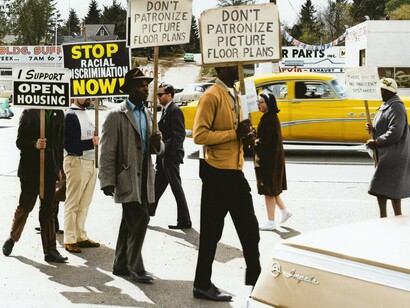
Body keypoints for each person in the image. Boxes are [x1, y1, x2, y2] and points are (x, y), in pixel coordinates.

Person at [192, 65, 261, 302]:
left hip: (234, 172)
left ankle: (256, 282)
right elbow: (199, 136)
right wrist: (234, 134)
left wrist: (248, 138)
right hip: (217, 174)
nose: (239, 68)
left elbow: (240, 131)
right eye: (234, 65)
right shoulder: (211, 96)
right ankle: (202, 284)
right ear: (221, 68)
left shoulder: (236, 94)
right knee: (211, 234)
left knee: (250, 232)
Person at [99, 68, 164, 284]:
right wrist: (107, 180)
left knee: (129, 222)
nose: (145, 88)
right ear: (128, 89)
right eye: (140, 85)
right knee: (141, 219)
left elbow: (156, 148)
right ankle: (136, 267)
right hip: (126, 177)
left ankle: (120, 264)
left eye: (146, 85)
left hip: (145, 177)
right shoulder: (115, 115)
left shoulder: (148, 113)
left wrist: (157, 143)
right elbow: (107, 150)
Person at [2, 109, 68, 263]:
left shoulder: (58, 113)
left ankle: (50, 250)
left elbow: (59, 144)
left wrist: (59, 168)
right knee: (25, 206)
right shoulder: (29, 113)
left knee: (48, 210)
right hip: (30, 171)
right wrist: (34, 144)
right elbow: (20, 142)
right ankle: (12, 238)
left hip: (50, 171)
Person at [366, 77, 410, 217]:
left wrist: (377, 141)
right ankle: (390, 217)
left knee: (381, 186)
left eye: (383, 90)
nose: (381, 92)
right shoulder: (387, 104)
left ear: (389, 92)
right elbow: (385, 126)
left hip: (393, 154)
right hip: (389, 153)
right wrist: (373, 129)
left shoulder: (395, 106)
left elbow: (396, 131)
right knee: (391, 188)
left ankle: (385, 218)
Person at [150, 83, 192, 229]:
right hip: (163, 156)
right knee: (157, 186)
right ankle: (147, 212)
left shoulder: (175, 111)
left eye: (160, 94)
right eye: (157, 94)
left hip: (170, 156)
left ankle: (185, 220)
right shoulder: (166, 110)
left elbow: (178, 136)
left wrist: (167, 150)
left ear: (169, 95)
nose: (158, 97)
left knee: (176, 188)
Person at [63, 98, 100, 253]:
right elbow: (69, 144)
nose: (88, 98)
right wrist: (91, 143)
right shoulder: (70, 115)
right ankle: (69, 239)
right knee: (73, 202)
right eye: (84, 95)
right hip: (76, 161)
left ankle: (80, 235)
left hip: (91, 162)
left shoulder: (86, 113)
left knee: (84, 203)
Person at [254, 93, 292, 231]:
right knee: (272, 190)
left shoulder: (269, 120)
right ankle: (284, 211)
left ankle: (270, 221)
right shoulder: (269, 117)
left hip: (269, 161)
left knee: (268, 191)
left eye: (262, 101)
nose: (259, 104)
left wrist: (253, 140)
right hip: (272, 160)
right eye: (258, 101)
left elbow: (265, 142)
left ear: (269, 103)